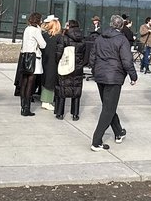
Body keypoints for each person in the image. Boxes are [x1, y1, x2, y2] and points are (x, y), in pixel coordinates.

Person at [90, 14, 137, 151]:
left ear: (111, 24)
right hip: (113, 77)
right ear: (121, 26)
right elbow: (127, 61)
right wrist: (133, 76)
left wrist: (94, 71)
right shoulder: (122, 40)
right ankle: (96, 141)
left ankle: (118, 132)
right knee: (108, 109)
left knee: (108, 106)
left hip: (101, 75)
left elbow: (93, 56)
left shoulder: (100, 38)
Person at [16, 12, 46, 117]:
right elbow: (43, 45)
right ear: (38, 20)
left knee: (24, 82)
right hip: (34, 58)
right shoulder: (36, 30)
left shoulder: (27, 29)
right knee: (30, 84)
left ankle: (23, 106)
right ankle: (27, 108)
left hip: (25, 57)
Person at [55, 20, 84, 120]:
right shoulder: (82, 39)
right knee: (76, 89)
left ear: (69, 26)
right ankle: (75, 114)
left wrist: (57, 62)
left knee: (62, 88)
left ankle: (60, 113)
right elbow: (85, 54)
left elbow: (59, 53)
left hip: (65, 65)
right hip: (77, 67)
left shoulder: (64, 38)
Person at [39, 14, 63, 111]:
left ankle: (45, 100)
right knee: (50, 80)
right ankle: (46, 101)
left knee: (46, 79)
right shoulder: (58, 37)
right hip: (53, 61)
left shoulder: (45, 35)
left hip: (45, 60)